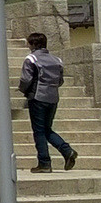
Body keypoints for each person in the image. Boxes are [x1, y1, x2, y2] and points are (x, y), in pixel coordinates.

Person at [19, 31, 77, 173]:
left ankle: (44, 163)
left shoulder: (31, 59)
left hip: (37, 97)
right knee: (47, 128)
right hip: (53, 97)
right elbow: (60, 80)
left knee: (39, 131)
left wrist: (23, 90)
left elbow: (26, 80)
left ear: (33, 44)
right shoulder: (56, 60)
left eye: (29, 43)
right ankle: (67, 150)